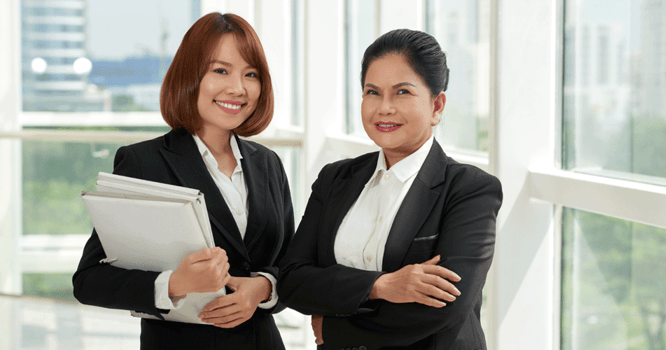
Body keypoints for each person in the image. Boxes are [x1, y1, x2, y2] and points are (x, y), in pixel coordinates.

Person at [73, 13, 293, 350]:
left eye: (251, 74)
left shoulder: (268, 164)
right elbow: (90, 281)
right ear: (191, 76)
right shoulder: (143, 162)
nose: (237, 87)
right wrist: (174, 283)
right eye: (221, 70)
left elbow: (291, 265)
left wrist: (263, 288)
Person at [278, 29, 502, 350]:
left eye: (402, 92)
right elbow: (292, 280)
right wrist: (381, 285)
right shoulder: (335, 178)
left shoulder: (470, 189)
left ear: (436, 106)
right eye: (372, 92)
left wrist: (335, 329)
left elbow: (447, 306)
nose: (384, 108)